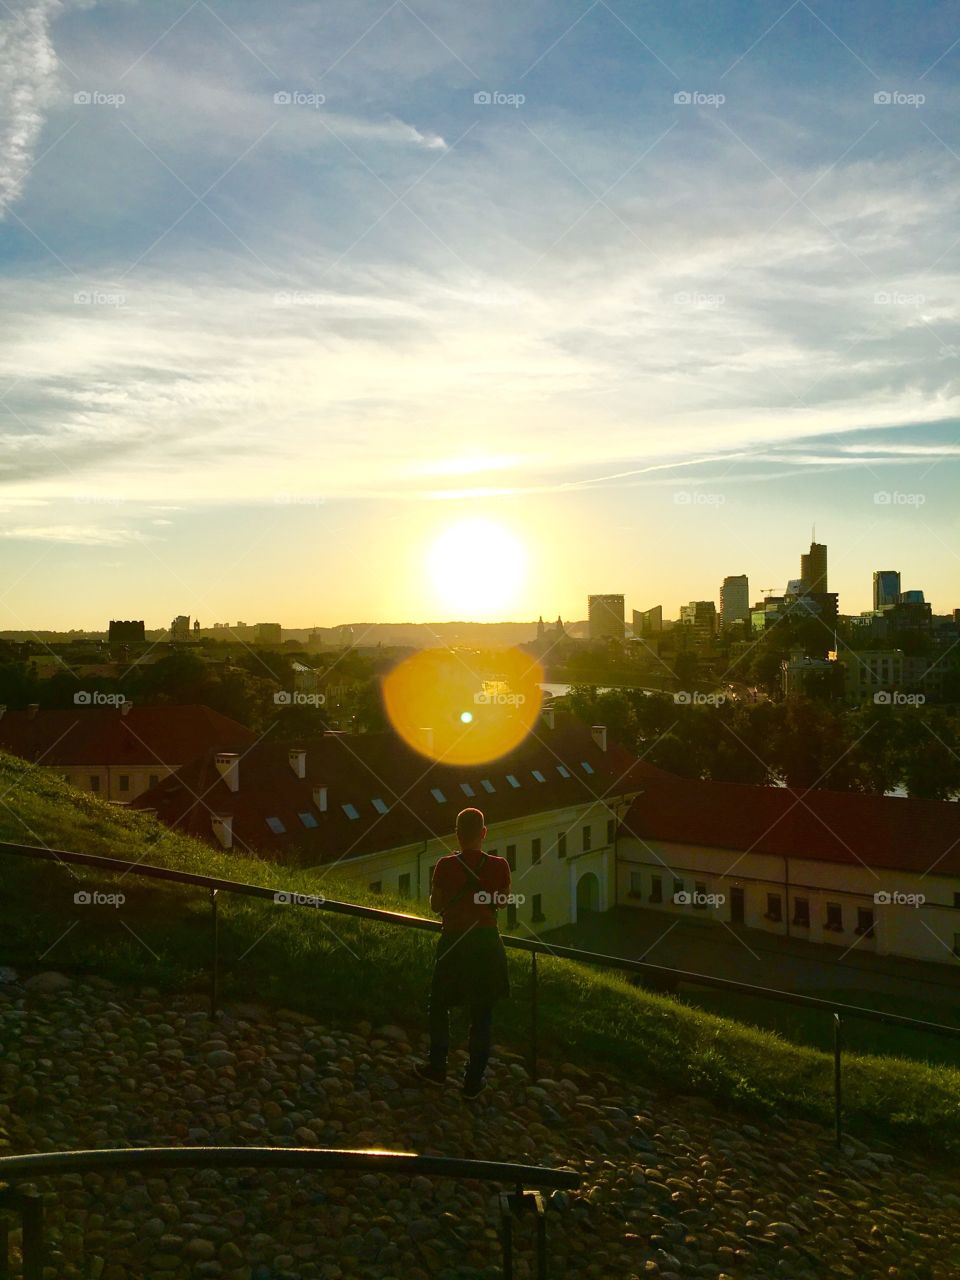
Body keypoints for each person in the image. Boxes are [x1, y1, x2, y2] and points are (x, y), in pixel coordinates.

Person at [415, 807, 511, 1099]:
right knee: (482, 1013)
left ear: (456, 833)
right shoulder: (499, 865)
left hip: (454, 940)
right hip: (486, 941)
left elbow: (435, 905)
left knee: (440, 1003)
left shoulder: (444, 865)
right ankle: (473, 1080)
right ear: (484, 833)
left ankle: (437, 1065)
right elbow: (504, 901)